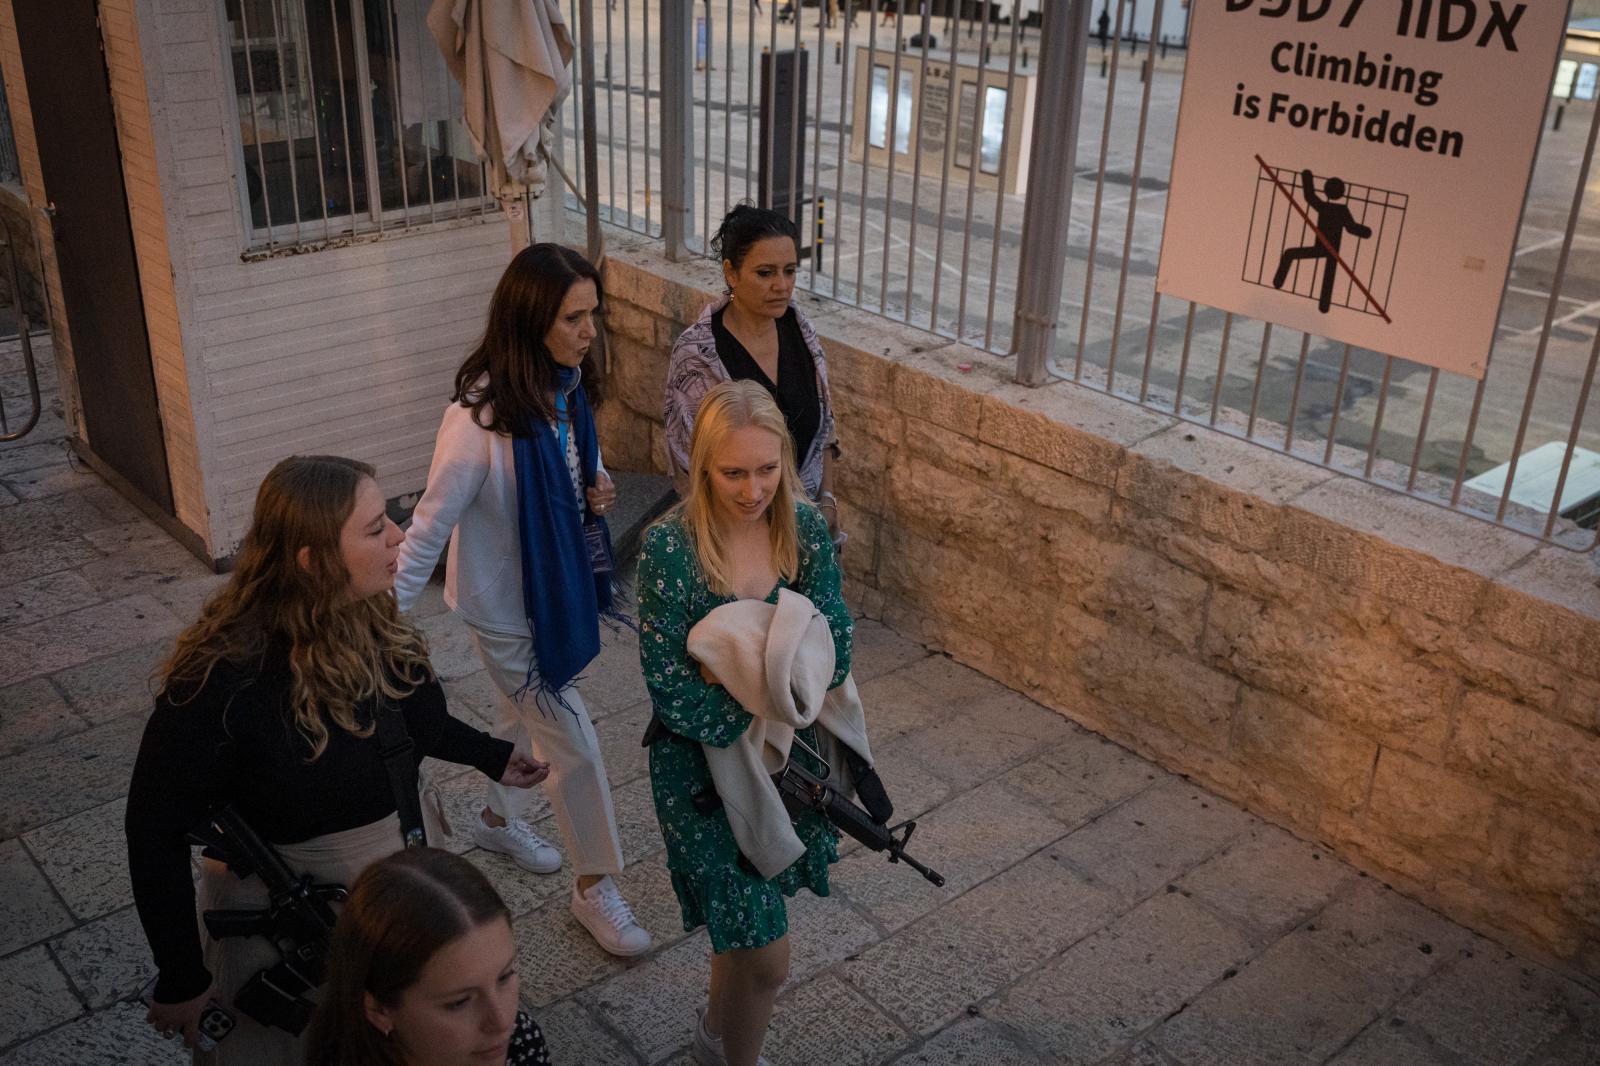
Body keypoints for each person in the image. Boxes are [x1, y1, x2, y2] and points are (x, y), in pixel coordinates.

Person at [126, 455, 549, 1062]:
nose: (399, 534)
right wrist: (182, 978)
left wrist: (490, 756)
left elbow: (416, 719)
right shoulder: (222, 680)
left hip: (395, 886)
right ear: (314, 558)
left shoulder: (377, 619)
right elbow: (152, 831)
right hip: (286, 927)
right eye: (376, 527)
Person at [394, 242, 652, 958]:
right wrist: (373, 623)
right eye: (575, 317)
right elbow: (427, 529)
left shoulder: (565, 388)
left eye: (593, 314)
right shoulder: (476, 423)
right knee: (577, 745)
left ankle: (499, 820)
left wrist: (598, 490)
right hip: (506, 614)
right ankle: (593, 884)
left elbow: (584, 470)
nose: (590, 330)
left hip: (554, 598)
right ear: (531, 319)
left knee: (515, 719)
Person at [638, 380, 853, 1066]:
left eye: (767, 469)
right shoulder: (670, 550)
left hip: (786, 761)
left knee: (742, 936)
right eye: (733, 472)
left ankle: (712, 1041)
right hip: (699, 775)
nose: (754, 489)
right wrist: (780, 658)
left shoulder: (807, 528)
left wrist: (729, 660)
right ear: (701, 465)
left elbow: (837, 650)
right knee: (767, 958)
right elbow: (674, 691)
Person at [664, 205, 841, 546]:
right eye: (765, 273)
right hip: (736, 541)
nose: (781, 285)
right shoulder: (698, 357)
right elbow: (690, 464)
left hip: (809, 533)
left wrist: (828, 500)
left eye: (789, 271)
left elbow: (825, 429)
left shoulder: (800, 331)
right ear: (731, 273)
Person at [304, 847, 550, 1066]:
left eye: (504, 977)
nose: (502, 1021)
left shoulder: (520, 1045)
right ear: (379, 1010)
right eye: (460, 1002)